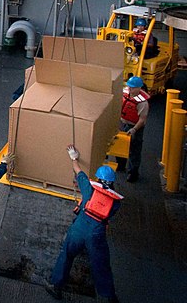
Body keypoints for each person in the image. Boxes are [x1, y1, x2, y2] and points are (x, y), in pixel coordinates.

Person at [46, 146, 122, 302]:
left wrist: (74, 157)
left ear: (99, 179)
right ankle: (109, 297)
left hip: (80, 227)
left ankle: (57, 287)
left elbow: (78, 171)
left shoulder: (89, 188)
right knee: (101, 264)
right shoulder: (116, 202)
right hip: (97, 232)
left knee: (66, 254)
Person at [118, 75, 150, 182]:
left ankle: (133, 172)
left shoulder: (142, 103)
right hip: (123, 122)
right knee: (120, 144)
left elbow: (142, 120)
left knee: (134, 149)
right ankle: (121, 165)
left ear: (139, 88)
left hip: (134, 126)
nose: (130, 89)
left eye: (132, 87)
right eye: (129, 87)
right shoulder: (125, 93)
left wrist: (134, 129)